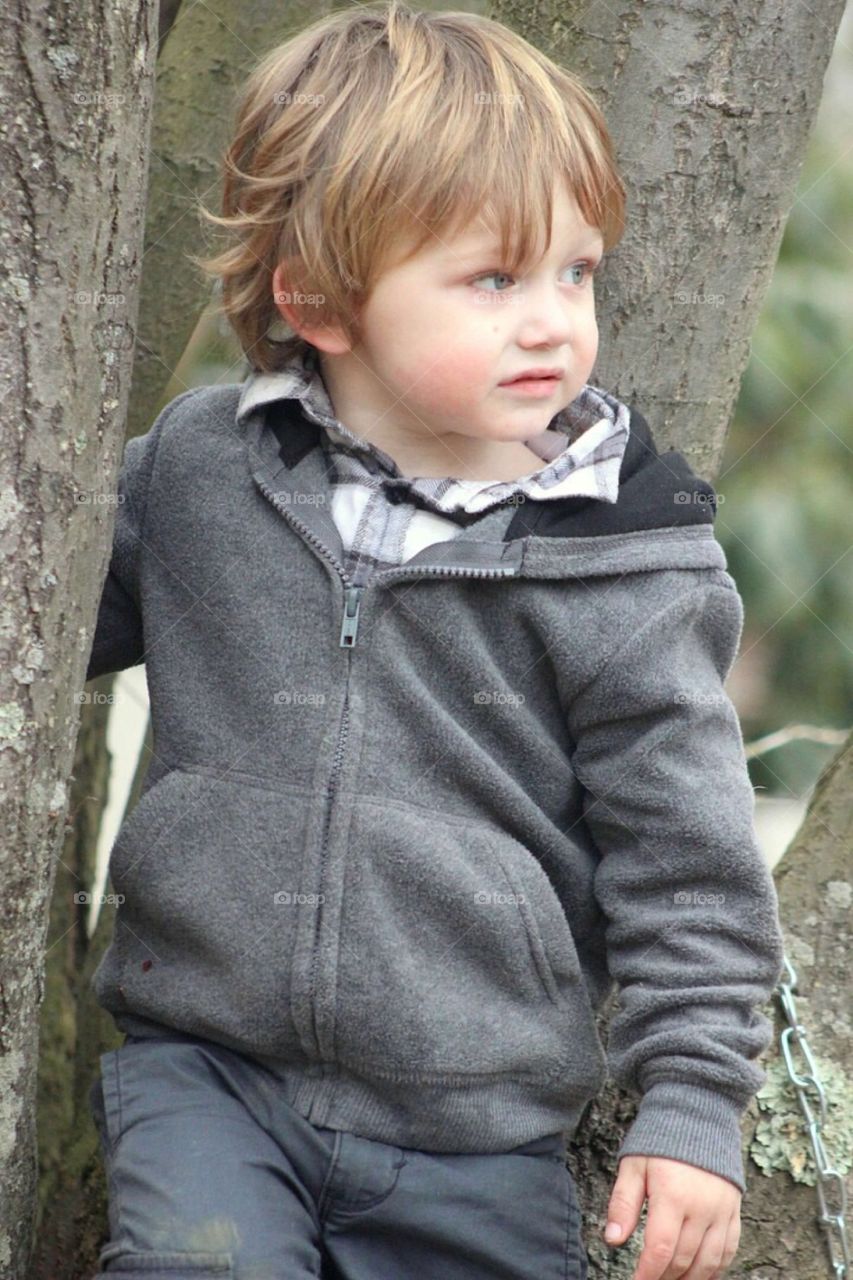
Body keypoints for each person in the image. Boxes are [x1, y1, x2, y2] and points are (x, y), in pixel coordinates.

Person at [84, 3, 785, 1277]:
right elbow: (50, 611)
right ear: (323, 302)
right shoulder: (200, 476)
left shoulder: (618, 557)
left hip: (480, 1132)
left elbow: (689, 859)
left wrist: (692, 1105)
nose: (553, 320)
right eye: (493, 277)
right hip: (210, 1075)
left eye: (575, 271)